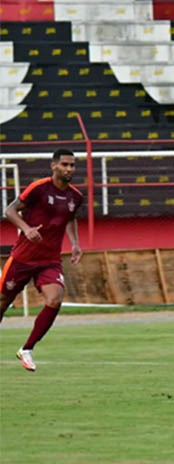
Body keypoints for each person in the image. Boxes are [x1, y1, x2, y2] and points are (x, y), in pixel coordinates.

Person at [0, 148, 83, 372]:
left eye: (72, 165)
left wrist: (74, 243)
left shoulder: (76, 196)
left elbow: (70, 218)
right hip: (23, 258)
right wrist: (26, 229)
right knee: (3, 302)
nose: (69, 169)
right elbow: (9, 210)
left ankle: (27, 349)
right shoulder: (38, 188)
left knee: (55, 299)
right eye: (65, 164)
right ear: (54, 166)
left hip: (49, 260)